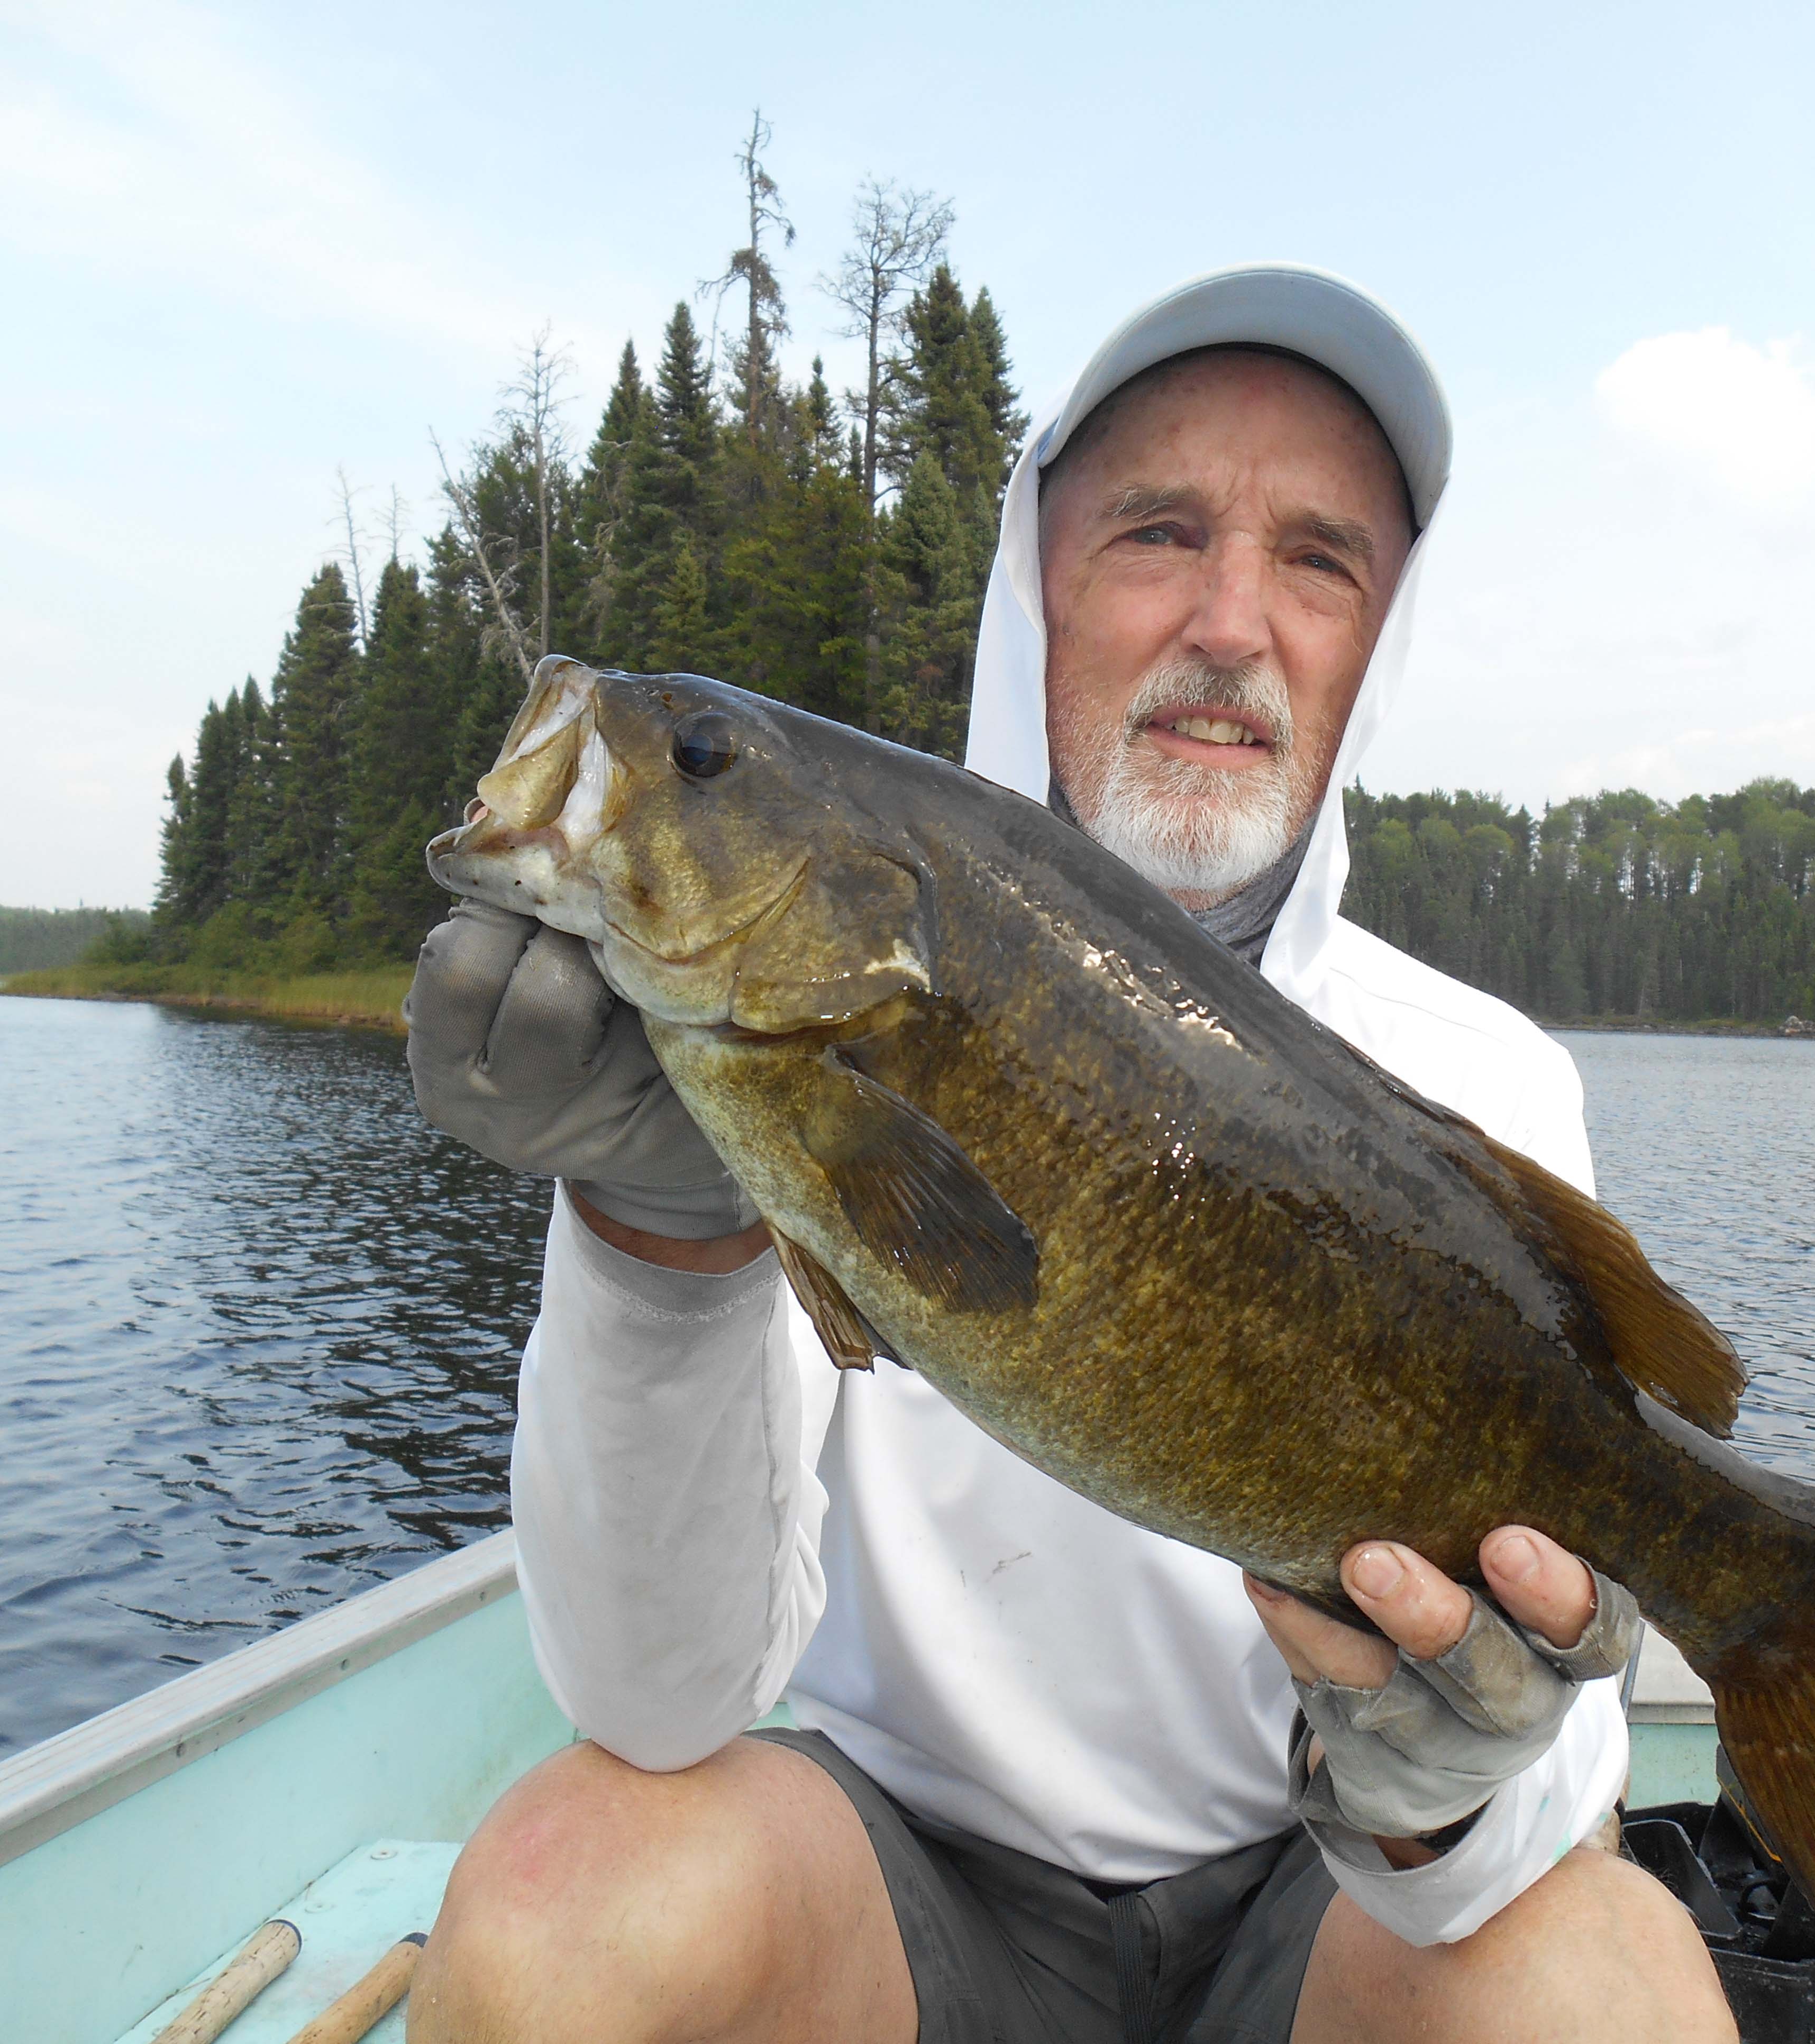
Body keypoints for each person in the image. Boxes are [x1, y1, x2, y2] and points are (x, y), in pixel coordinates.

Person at [401, 266, 1735, 2044]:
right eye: (1159, 533)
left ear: (1376, 639)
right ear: (1039, 586)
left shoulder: (1485, 1083)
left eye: (1320, 558)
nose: (1233, 622)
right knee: (567, 1913)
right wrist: (661, 1238)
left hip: (1317, 1904)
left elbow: (1516, 1860)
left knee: (1605, 1986)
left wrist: (1450, 1781)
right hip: (902, 1895)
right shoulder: (785, 1039)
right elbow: (656, 1706)